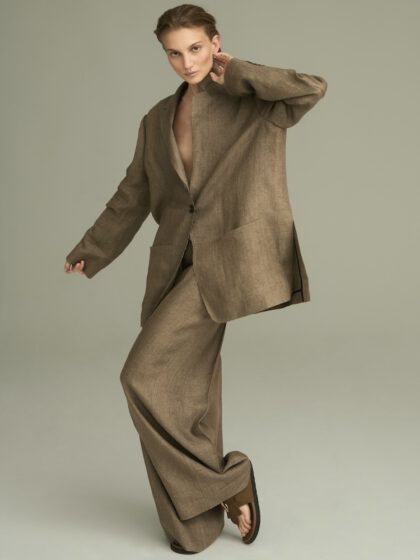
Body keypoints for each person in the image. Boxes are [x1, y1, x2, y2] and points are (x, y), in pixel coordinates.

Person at [64, 3, 327, 554]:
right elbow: (133, 193)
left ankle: (228, 481)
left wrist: (240, 71)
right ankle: (194, 527)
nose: (186, 62)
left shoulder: (251, 103)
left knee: (141, 377)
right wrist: (93, 248)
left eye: (196, 48)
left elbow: (310, 88)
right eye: (174, 53)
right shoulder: (156, 118)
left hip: (225, 261)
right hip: (171, 261)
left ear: (215, 43)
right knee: (190, 393)